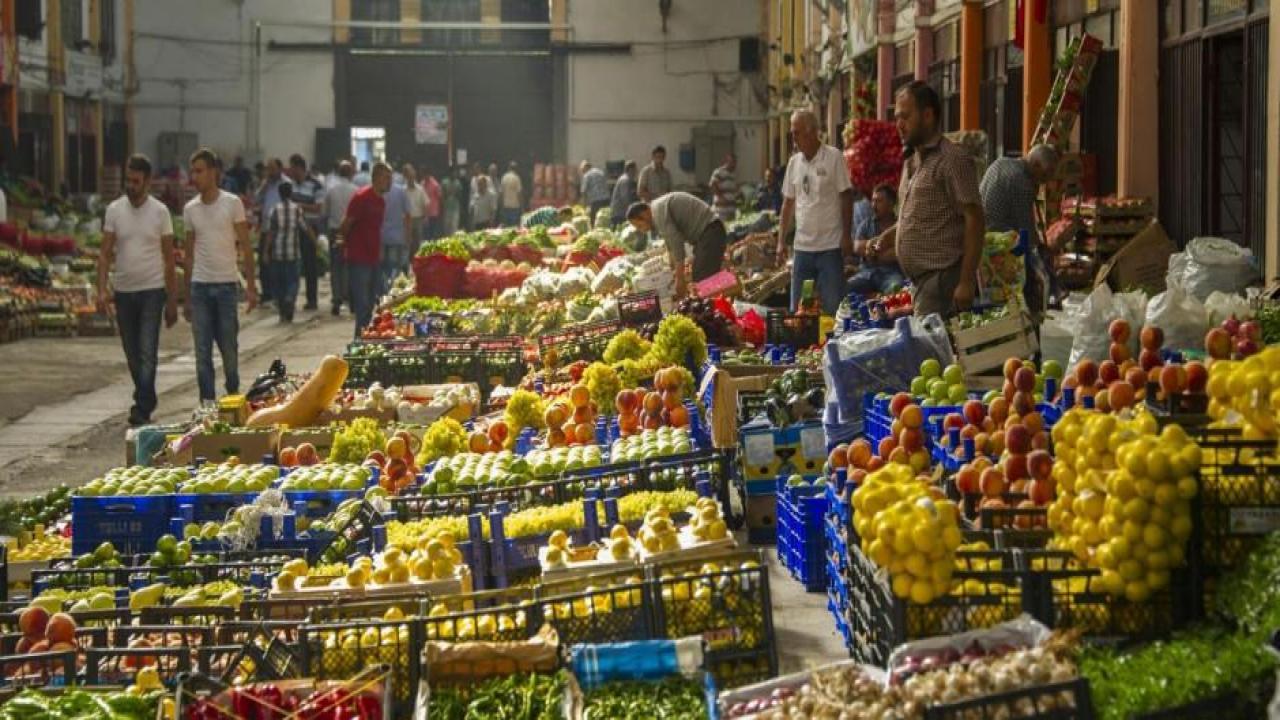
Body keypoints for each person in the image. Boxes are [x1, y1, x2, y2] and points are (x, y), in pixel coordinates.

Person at [874, 81, 984, 319]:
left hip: (943, 280)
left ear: (927, 115)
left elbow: (974, 219)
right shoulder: (911, 162)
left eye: (905, 116)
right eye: (896, 118)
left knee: (935, 353)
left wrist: (966, 281)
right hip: (920, 283)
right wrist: (889, 236)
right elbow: (918, 216)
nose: (899, 125)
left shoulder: (952, 159)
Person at [97, 153, 178, 426]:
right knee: (132, 353)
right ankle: (146, 395)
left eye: (135, 181)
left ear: (147, 181)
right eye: (127, 180)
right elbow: (105, 253)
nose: (130, 186)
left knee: (147, 351)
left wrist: (172, 300)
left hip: (152, 291)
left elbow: (169, 258)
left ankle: (142, 406)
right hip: (123, 291)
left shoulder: (160, 213)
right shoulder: (114, 210)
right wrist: (101, 290)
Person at [182, 148, 256, 404]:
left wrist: (251, 286)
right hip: (200, 287)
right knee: (202, 352)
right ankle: (207, 404)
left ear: (214, 173)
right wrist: (186, 296)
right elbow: (188, 254)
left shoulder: (232, 204)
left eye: (200, 171)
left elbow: (246, 245)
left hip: (226, 286)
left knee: (229, 349)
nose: (195, 177)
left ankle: (233, 398)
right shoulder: (190, 210)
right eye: (193, 171)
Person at [777, 109, 854, 315]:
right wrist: (780, 241)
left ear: (812, 133)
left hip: (830, 246)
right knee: (799, 310)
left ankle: (830, 346)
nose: (793, 138)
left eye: (796, 132)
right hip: (802, 248)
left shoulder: (833, 157)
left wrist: (847, 235)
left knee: (832, 308)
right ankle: (804, 345)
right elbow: (788, 203)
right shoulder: (794, 163)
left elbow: (846, 196)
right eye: (792, 133)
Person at [626, 193, 727, 299]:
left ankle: (726, 292)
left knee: (702, 280)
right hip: (707, 234)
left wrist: (680, 278)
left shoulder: (658, 213)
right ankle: (725, 291)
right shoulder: (658, 209)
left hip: (710, 232)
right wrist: (672, 270)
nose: (642, 230)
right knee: (702, 278)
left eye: (640, 225)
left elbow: (677, 244)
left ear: (645, 214)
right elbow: (670, 246)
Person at [337, 162, 390, 338]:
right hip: (359, 258)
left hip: (374, 258)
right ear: (375, 178)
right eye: (385, 178)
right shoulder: (361, 197)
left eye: (389, 178)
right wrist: (343, 243)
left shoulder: (381, 201)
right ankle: (359, 342)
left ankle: (366, 339)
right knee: (362, 306)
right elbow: (346, 224)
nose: (389, 182)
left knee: (372, 304)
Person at [264, 180, 314, 323]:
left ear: (279, 194)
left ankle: (282, 310)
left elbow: (271, 233)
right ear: (291, 194)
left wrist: (266, 252)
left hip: (278, 253)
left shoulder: (274, 210)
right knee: (293, 281)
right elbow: (305, 228)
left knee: (279, 283)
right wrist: (315, 242)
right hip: (294, 253)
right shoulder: (297, 209)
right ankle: (290, 299)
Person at [848, 184, 906, 296]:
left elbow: (900, 252)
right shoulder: (866, 224)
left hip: (891, 274)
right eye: (873, 201)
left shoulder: (900, 226)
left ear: (891, 204)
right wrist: (887, 250)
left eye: (879, 201)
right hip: (866, 273)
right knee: (845, 288)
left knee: (896, 289)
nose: (874, 205)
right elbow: (857, 247)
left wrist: (872, 252)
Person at [286, 154, 325, 311]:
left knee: (310, 266)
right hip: (294, 228)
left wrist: (298, 206)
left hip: (310, 228)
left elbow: (318, 208)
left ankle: (312, 299)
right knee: (293, 265)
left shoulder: (316, 185)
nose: (290, 172)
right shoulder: (290, 185)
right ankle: (291, 298)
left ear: (299, 168)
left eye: (292, 168)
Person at [322, 160, 358, 316]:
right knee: (351, 264)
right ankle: (351, 299)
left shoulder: (331, 190)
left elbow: (325, 211)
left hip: (335, 231)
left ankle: (337, 299)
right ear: (351, 173)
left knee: (336, 266)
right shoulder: (356, 191)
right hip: (351, 231)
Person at [255, 158, 284, 304]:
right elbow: (256, 199)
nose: (270, 172)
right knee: (263, 261)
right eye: (268, 169)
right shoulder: (266, 184)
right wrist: (264, 186)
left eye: (273, 169)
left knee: (276, 262)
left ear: (280, 169)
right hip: (266, 227)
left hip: (280, 229)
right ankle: (266, 293)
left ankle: (277, 293)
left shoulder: (286, 183)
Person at [379, 173, 413, 285]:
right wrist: (408, 236)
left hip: (381, 236)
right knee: (394, 266)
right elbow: (408, 215)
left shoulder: (379, 191)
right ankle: (391, 290)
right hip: (397, 236)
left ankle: (384, 290)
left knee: (383, 266)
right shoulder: (401, 191)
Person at [402, 163, 431, 254]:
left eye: (412, 177)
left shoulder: (420, 189)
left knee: (418, 241)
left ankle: (417, 260)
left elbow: (426, 203)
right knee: (407, 241)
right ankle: (407, 262)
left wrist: (426, 217)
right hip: (406, 219)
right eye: (409, 177)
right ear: (406, 177)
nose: (411, 179)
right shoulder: (402, 190)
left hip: (418, 218)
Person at [709, 152, 740, 222]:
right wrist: (721, 197)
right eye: (732, 162)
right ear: (727, 162)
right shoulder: (719, 172)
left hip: (731, 211)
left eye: (735, 162)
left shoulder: (733, 175)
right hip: (721, 211)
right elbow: (712, 185)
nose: (734, 164)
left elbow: (733, 190)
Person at [610, 161, 638, 226]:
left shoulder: (627, 179)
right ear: (630, 169)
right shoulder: (625, 180)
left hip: (621, 212)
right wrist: (633, 210)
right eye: (635, 169)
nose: (636, 171)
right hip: (620, 213)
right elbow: (625, 198)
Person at [499, 162, 524, 227]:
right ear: (516, 169)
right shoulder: (517, 178)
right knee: (514, 228)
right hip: (515, 207)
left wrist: (501, 206)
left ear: (509, 168)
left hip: (506, 206)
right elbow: (519, 194)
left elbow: (501, 193)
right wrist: (522, 206)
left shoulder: (504, 177)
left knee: (506, 227)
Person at [422, 167, 443, 240]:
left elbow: (440, 197)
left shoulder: (435, 184)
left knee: (432, 232)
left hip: (433, 212)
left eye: (426, 175)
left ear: (429, 174)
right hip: (425, 213)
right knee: (425, 233)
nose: (425, 177)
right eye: (424, 175)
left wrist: (440, 210)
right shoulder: (422, 183)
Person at [441, 167, 462, 235]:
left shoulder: (458, 183)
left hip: (455, 208)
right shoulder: (444, 182)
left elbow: (460, 195)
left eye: (455, 173)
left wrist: (456, 193)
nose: (454, 174)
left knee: (454, 227)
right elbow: (442, 195)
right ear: (449, 173)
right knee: (446, 227)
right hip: (446, 208)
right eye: (452, 172)